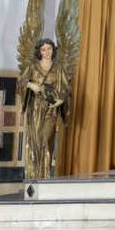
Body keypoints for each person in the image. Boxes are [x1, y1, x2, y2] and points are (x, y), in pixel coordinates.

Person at [20, 37, 70, 180]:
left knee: (46, 139)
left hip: (50, 108)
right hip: (35, 108)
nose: (47, 52)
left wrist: (61, 99)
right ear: (39, 51)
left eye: (49, 49)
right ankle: (33, 177)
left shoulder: (58, 67)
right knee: (34, 141)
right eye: (43, 49)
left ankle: (45, 176)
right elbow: (21, 82)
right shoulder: (33, 66)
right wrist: (30, 85)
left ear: (53, 50)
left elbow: (66, 87)